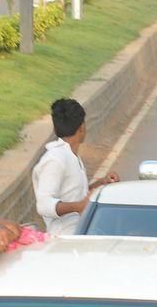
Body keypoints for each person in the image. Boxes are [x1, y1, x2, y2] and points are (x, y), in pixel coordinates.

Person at [33, 98, 118, 237]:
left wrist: (101, 183)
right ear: (82, 128)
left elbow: (74, 194)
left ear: (55, 128)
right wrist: (78, 207)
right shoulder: (55, 160)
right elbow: (43, 205)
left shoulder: (69, 155)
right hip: (64, 238)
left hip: (81, 233)